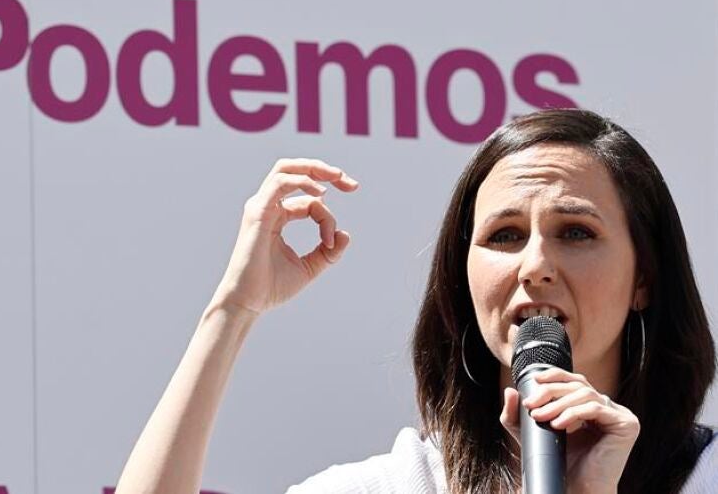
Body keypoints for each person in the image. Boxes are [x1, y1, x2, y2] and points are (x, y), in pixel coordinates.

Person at [114, 109, 717, 493]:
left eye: (576, 232)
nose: (534, 265)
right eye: (504, 235)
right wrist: (233, 310)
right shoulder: (391, 485)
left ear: (645, 276)